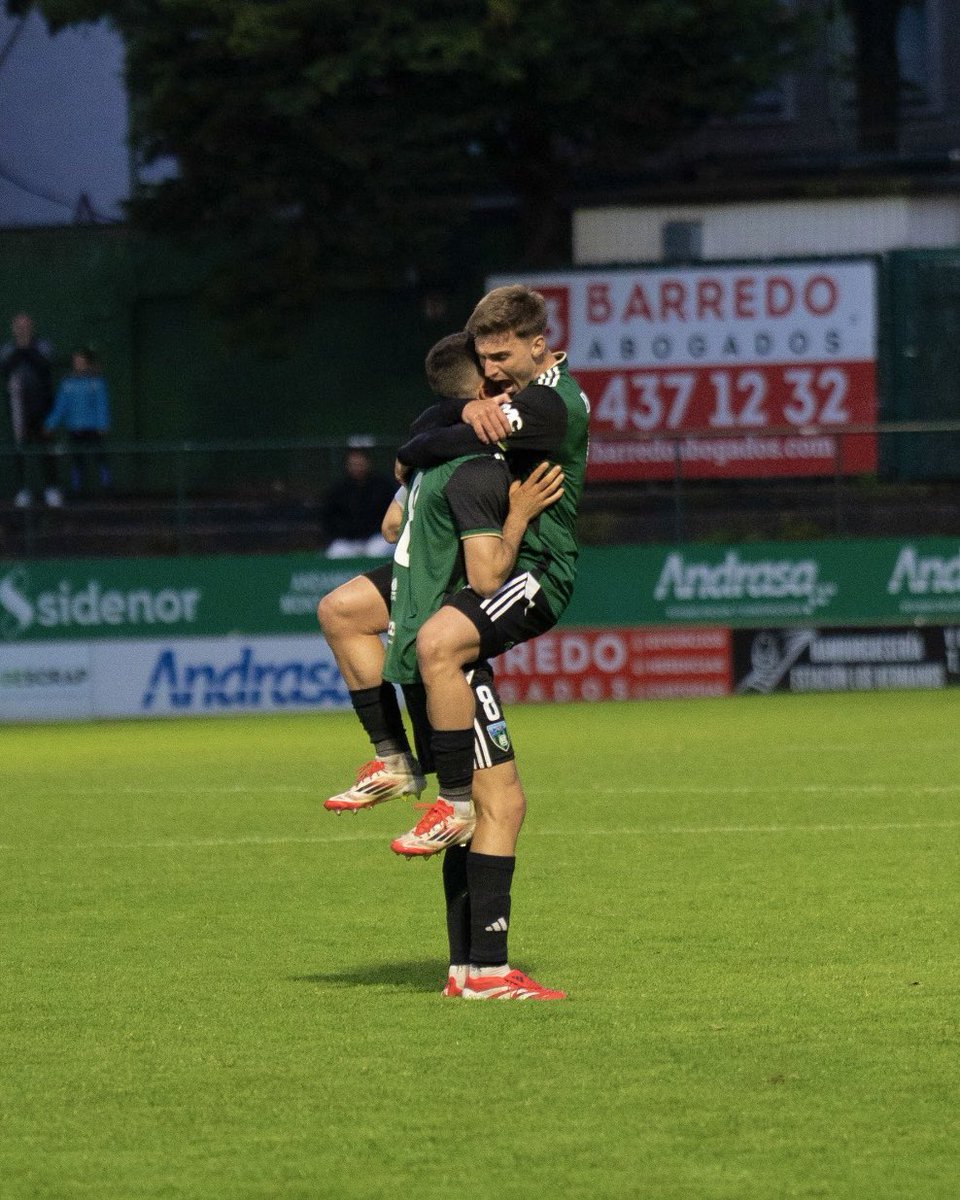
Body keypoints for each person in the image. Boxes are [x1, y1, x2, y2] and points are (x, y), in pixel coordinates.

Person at [0, 312, 61, 508]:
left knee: (46, 448)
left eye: (25, 325)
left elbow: (44, 365)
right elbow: (6, 367)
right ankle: (24, 490)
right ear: (13, 328)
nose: (22, 329)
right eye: (18, 326)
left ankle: (51, 489)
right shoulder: (7, 349)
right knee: (21, 449)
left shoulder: (43, 345)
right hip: (18, 408)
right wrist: (20, 351)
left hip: (42, 406)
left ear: (32, 326)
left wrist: (27, 350)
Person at [43, 347, 112, 496]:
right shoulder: (67, 383)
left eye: (81, 361)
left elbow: (102, 404)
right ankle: (77, 490)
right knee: (77, 459)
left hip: (93, 428)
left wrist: (103, 424)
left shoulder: (96, 382)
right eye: (76, 361)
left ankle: (108, 488)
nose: (78, 364)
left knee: (100, 456)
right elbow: (61, 406)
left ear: (87, 363)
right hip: (75, 428)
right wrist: (50, 424)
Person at [321, 441, 398, 558]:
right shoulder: (338, 489)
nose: (357, 466)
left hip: (376, 538)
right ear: (348, 465)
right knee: (336, 552)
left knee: (378, 551)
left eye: (360, 463)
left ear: (368, 463)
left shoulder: (383, 486)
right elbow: (328, 518)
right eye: (353, 464)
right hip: (348, 541)